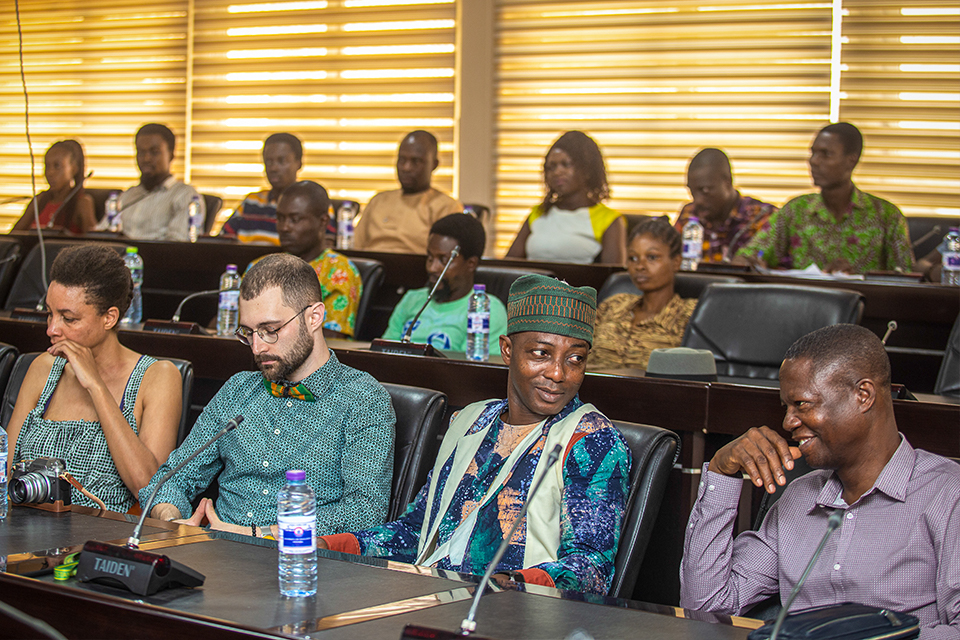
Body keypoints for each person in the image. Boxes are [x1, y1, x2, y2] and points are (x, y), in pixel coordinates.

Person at [320, 274, 632, 596]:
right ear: (507, 350)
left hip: (512, 611)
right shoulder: (471, 420)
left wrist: (510, 583)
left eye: (575, 359)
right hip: (429, 596)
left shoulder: (591, 441)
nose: (558, 373)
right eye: (541, 353)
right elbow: (416, 532)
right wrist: (329, 545)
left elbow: (591, 568)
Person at [680, 324, 959, 637]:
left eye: (802, 404)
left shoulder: (948, 495)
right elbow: (704, 607)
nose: (788, 422)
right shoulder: (799, 497)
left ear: (863, 396)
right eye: (786, 407)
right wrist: (722, 472)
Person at [141, 254, 395, 536]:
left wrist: (263, 533)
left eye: (270, 330)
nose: (256, 347)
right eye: (248, 333)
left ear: (314, 317)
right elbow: (171, 479)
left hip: (300, 555)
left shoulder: (363, 399)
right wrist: (173, 519)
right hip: (215, 548)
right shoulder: (238, 389)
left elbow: (365, 511)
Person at [6, 244, 182, 513]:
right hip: (23, 529)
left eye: (68, 318)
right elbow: (4, 470)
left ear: (109, 318)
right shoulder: (44, 367)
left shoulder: (157, 377)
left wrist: (96, 386)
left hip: (104, 535)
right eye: (50, 313)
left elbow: (149, 488)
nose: (52, 329)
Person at [735, 123, 914, 274]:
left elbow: (905, 277)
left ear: (851, 160)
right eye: (813, 153)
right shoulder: (796, 210)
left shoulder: (886, 215)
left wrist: (858, 276)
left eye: (826, 154)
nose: (814, 161)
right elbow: (748, 256)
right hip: (806, 302)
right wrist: (751, 261)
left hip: (865, 303)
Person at [247, 181, 361, 339]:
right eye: (280, 218)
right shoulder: (259, 268)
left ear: (323, 221)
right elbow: (232, 324)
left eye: (295, 219)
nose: (284, 227)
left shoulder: (339, 272)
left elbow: (332, 338)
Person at [381, 213, 507, 356]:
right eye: (430, 257)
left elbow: (472, 365)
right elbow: (383, 354)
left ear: (471, 263)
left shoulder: (484, 309)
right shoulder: (412, 299)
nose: (432, 268)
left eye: (444, 260)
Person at [588, 218, 697, 371]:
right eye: (633, 258)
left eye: (652, 257)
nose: (639, 266)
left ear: (676, 262)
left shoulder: (690, 314)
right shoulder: (613, 305)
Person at [507, 131, 625, 265]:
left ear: (587, 170)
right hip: (534, 280)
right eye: (552, 167)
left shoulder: (609, 220)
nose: (557, 172)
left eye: (566, 164)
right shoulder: (538, 213)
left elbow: (612, 274)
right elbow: (509, 266)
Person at [353, 130, 463, 254]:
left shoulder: (446, 206)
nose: (406, 168)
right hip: (371, 265)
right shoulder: (378, 201)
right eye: (402, 160)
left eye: (416, 161)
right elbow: (355, 248)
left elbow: (445, 257)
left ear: (434, 164)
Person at [98, 123, 204, 241]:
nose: (146, 159)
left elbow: (178, 244)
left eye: (154, 152)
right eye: (141, 152)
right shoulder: (127, 196)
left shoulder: (185, 195)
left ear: (171, 155)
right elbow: (102, 235)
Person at [674, 148, 777, 263]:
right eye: (692, 191)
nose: (698, 201)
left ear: (728, 182)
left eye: (705, 190)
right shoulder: (689, 215)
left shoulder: (761, 217)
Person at [219, 133, 303, 244]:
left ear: (299, 163)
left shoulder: (311, 205)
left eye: (281, 161)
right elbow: (222, 241)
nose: (273, 168)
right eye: (268, 161)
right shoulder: (251, 202)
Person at [13, 140, 96, 235]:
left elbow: (93, 239)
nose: (50, 173)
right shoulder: (40, 199)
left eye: (57, 166)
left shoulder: (82, 202)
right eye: (47, 166)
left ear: (73, 169)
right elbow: (14, 235)